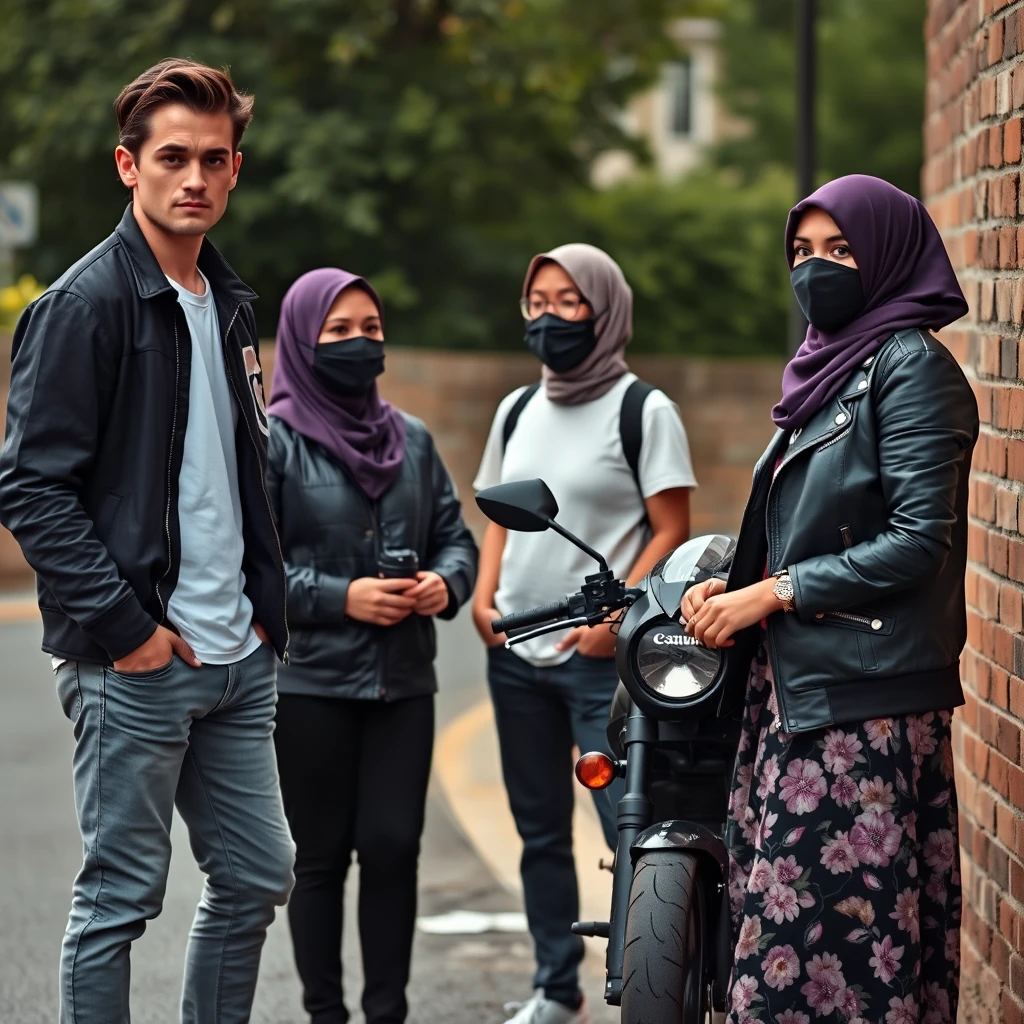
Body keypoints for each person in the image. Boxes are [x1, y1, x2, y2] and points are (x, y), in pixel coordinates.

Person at [0, 59, 295, 1023]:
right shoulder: (84, 305)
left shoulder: (231, 302)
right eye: (172, 157)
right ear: (129, 166)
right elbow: (31, 487)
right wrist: (129, 631)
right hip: (137, 660)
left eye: (215, 159)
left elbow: (236, 472)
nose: (194, 178)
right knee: (118, 900)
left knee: (256, 876)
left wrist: (261, 615)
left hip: (236, 656)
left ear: (236, 170)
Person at [681, 175, 976, 1024]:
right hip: (804, 692)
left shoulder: (912, 368)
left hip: (865, 709)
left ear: (887, 255)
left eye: (840, 250)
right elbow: (810, 528)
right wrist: (735, 588)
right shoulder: (829, 372)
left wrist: (773, 594)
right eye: (802, 252)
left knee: (822, 964)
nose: (817, 270)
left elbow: (919, 542)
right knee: (791, 953)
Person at [473, 243, 697, 1024]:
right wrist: (482, 594)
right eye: (537, 301)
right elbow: (497, 513)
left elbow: (672, 527)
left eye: (569, 302)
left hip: (597, 659)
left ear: (605, 309)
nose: (550, 317)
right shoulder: (515, 409)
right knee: (537, 830)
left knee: (625, 826)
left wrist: (620, 616)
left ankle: (647, 986)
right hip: (517, 652)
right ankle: (554, 985)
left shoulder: (645, 410)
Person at [266, 267, 478, 1024]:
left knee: (393, 849)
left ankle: (387, 1012)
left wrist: (443, 585)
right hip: (310, 685)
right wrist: (339, 596)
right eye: (341, 331)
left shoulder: (412, 440)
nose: (362, 343)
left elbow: (456, 539)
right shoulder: (274, 441)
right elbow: (245, 571)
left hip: (402, 682)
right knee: (318, 860)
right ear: (303, 339)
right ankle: (326, 1013)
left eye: (371, 329)